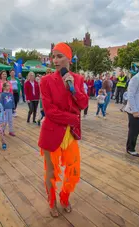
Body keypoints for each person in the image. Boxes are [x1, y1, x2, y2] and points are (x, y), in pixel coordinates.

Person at [38, 42, 88, 217]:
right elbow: (50, 112)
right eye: (54, 56)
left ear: (69, 59)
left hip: (71, 135)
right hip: (51, 133)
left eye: (60, 56)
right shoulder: (46, 81)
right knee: (51, 173)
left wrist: (73, 89)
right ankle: (52, 202)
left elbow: (83, 103)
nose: (55, 60)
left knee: (73, 171)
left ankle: (64, 198)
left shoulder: (78, 79)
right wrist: (73, 118)